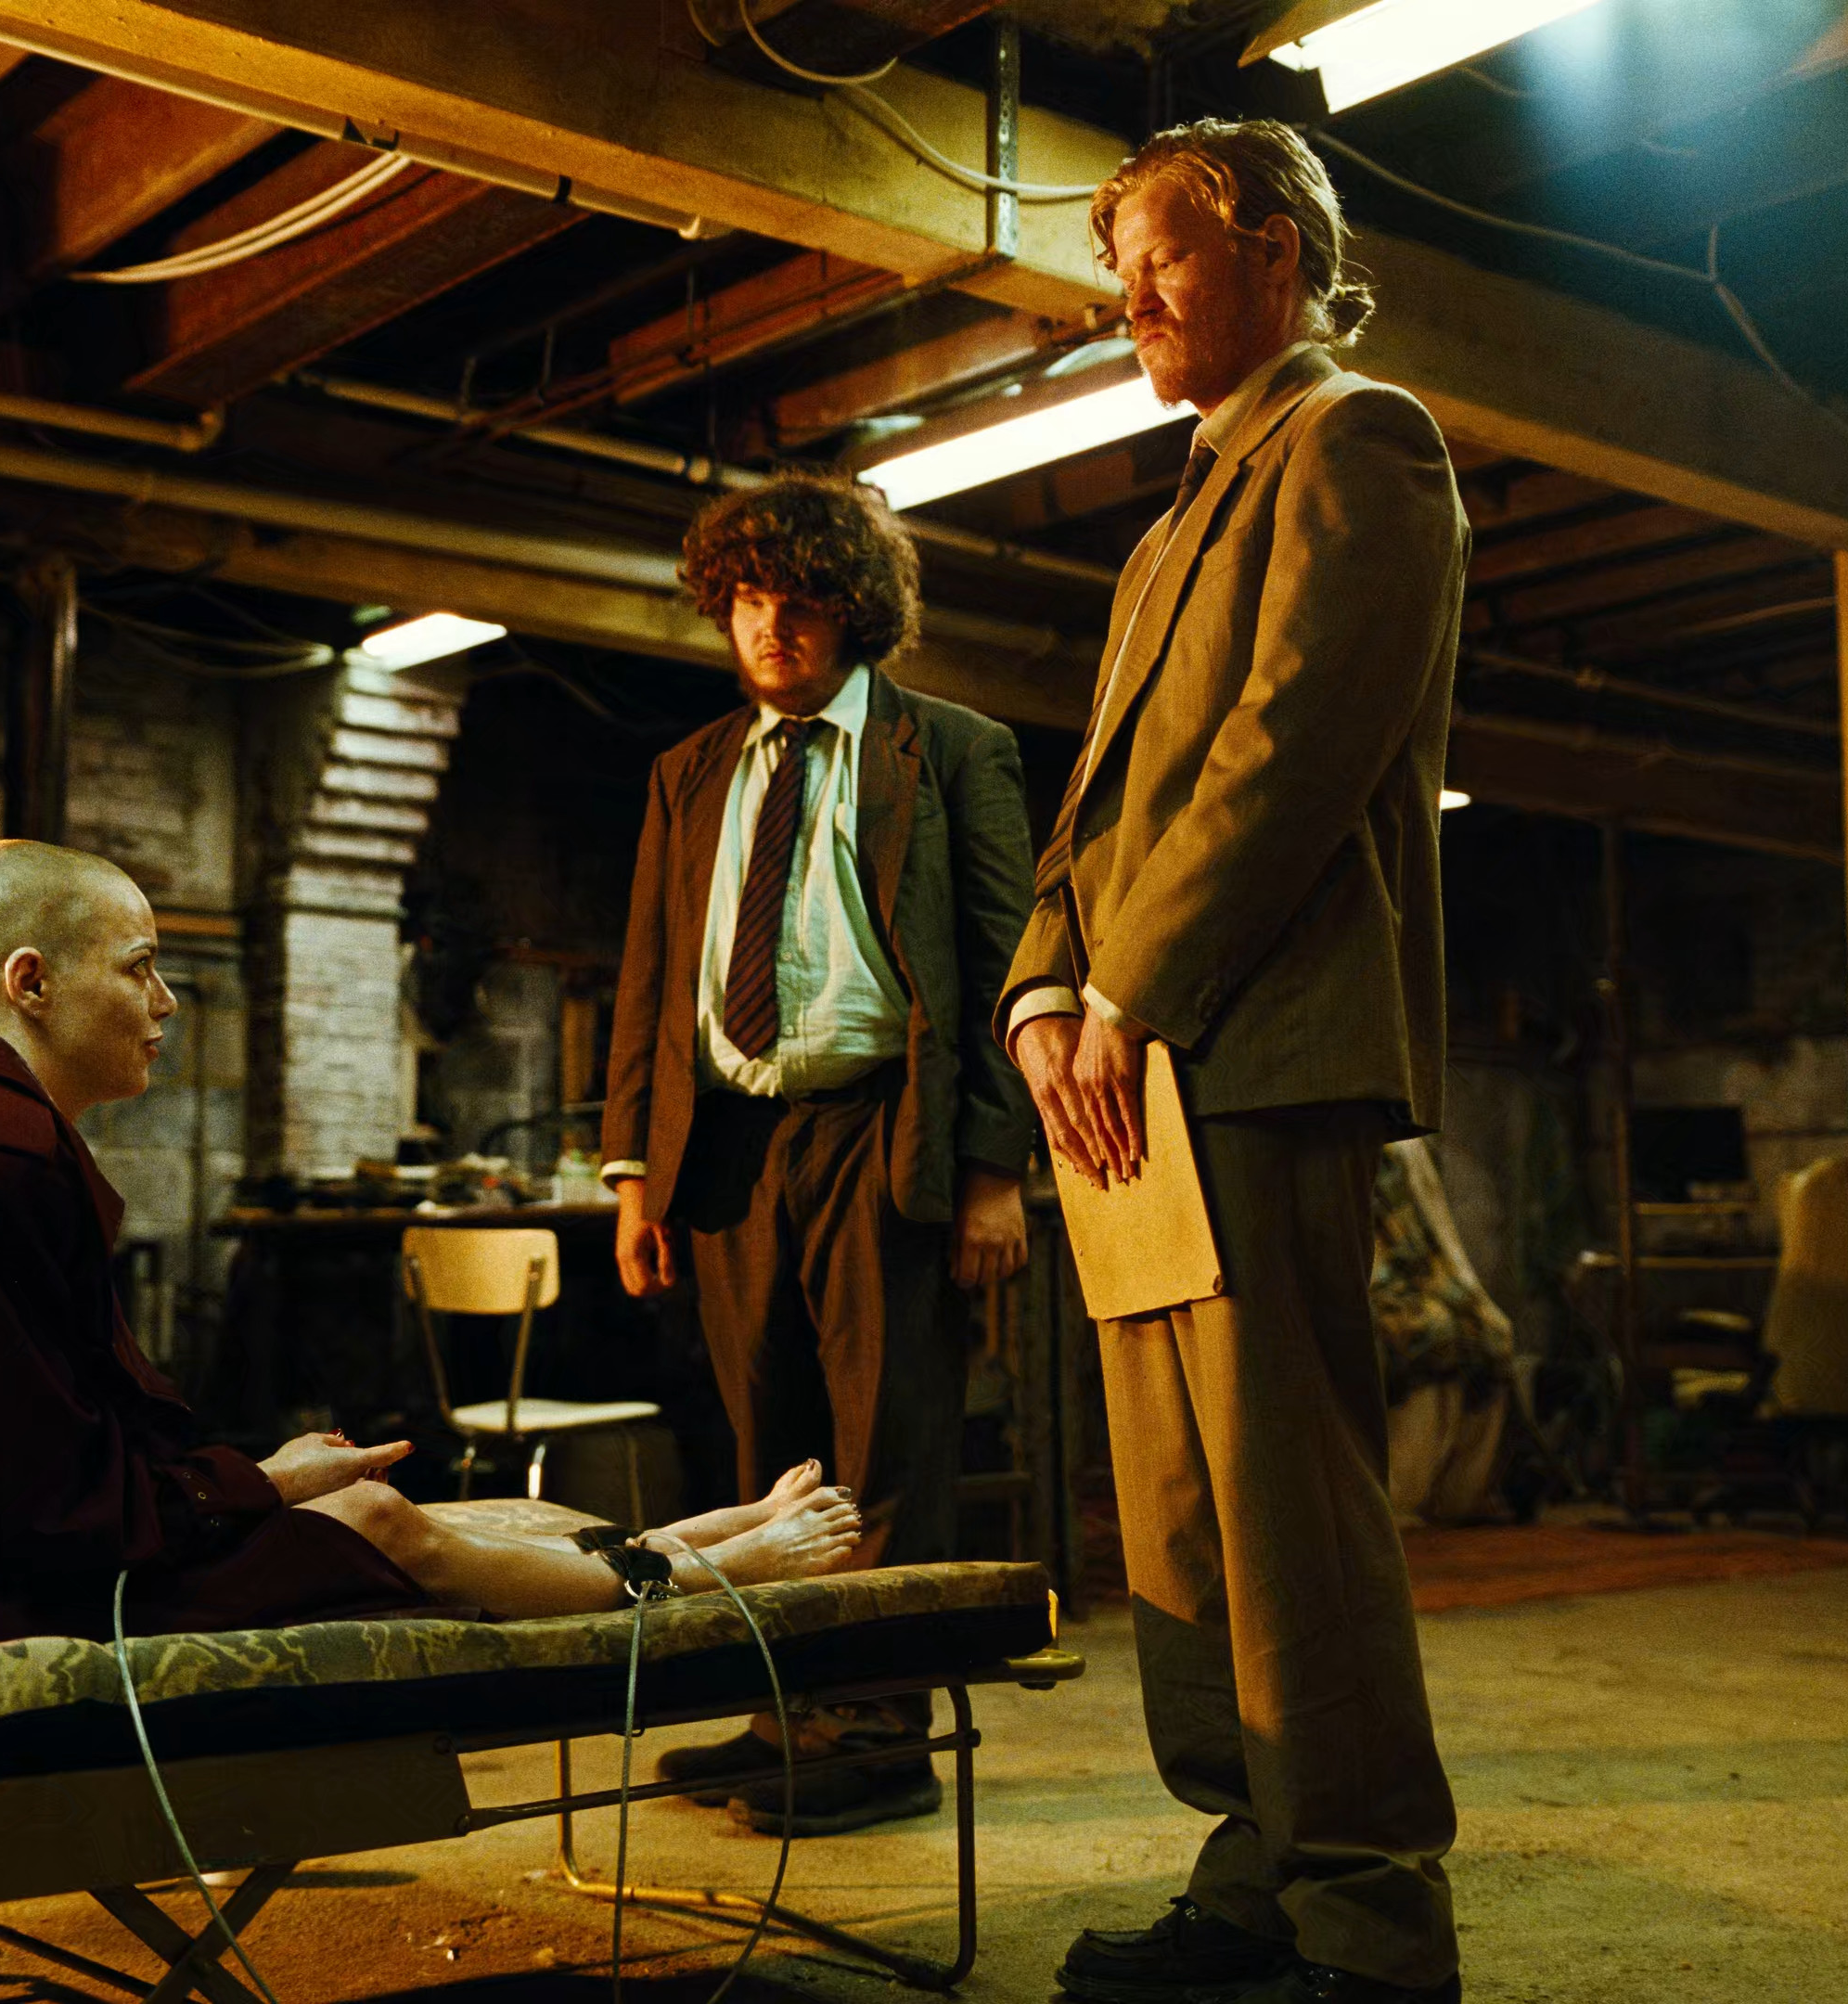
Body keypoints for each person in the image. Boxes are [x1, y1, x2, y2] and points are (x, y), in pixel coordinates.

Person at [0, 839, 859, 1685]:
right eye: (140, 969)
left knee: (361, 1513)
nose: (166, 1002)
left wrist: (246, 1488)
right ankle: (695, 1571)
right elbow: (43, 1506)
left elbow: (25, 1460)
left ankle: (672, 1542)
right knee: (376, 1519)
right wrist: (258, 1485)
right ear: (29, 983)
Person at [1003, 122, 1469, 2004]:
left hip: (1251, 1045)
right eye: (1118, 273)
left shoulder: (1360, 439)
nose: (1129, 304)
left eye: (1164, 261)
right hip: (1136, 1061)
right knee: (1183, 1519)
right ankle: (1257, 1877)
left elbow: (1291, 749)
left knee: (1288, 1512)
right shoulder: (1168, 529)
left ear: (1275, 252)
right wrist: (1043, 988)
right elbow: (1100, 800)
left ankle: (1371, 1927)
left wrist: (1132, 988)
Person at [597, 474, 1040, 1834]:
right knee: (767, 1450)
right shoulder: (690, 771)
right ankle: (780, 1719)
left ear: (855, 613)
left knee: (885, 1447)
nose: (769, 627)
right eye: (745, 600)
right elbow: (649, 978)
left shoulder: (950, 750)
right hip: (730, 1142)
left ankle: (881, 1737)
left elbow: (1005, 963)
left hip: (879, 1129)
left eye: (798, 602)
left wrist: (996, 1167)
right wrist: (634, 1174)